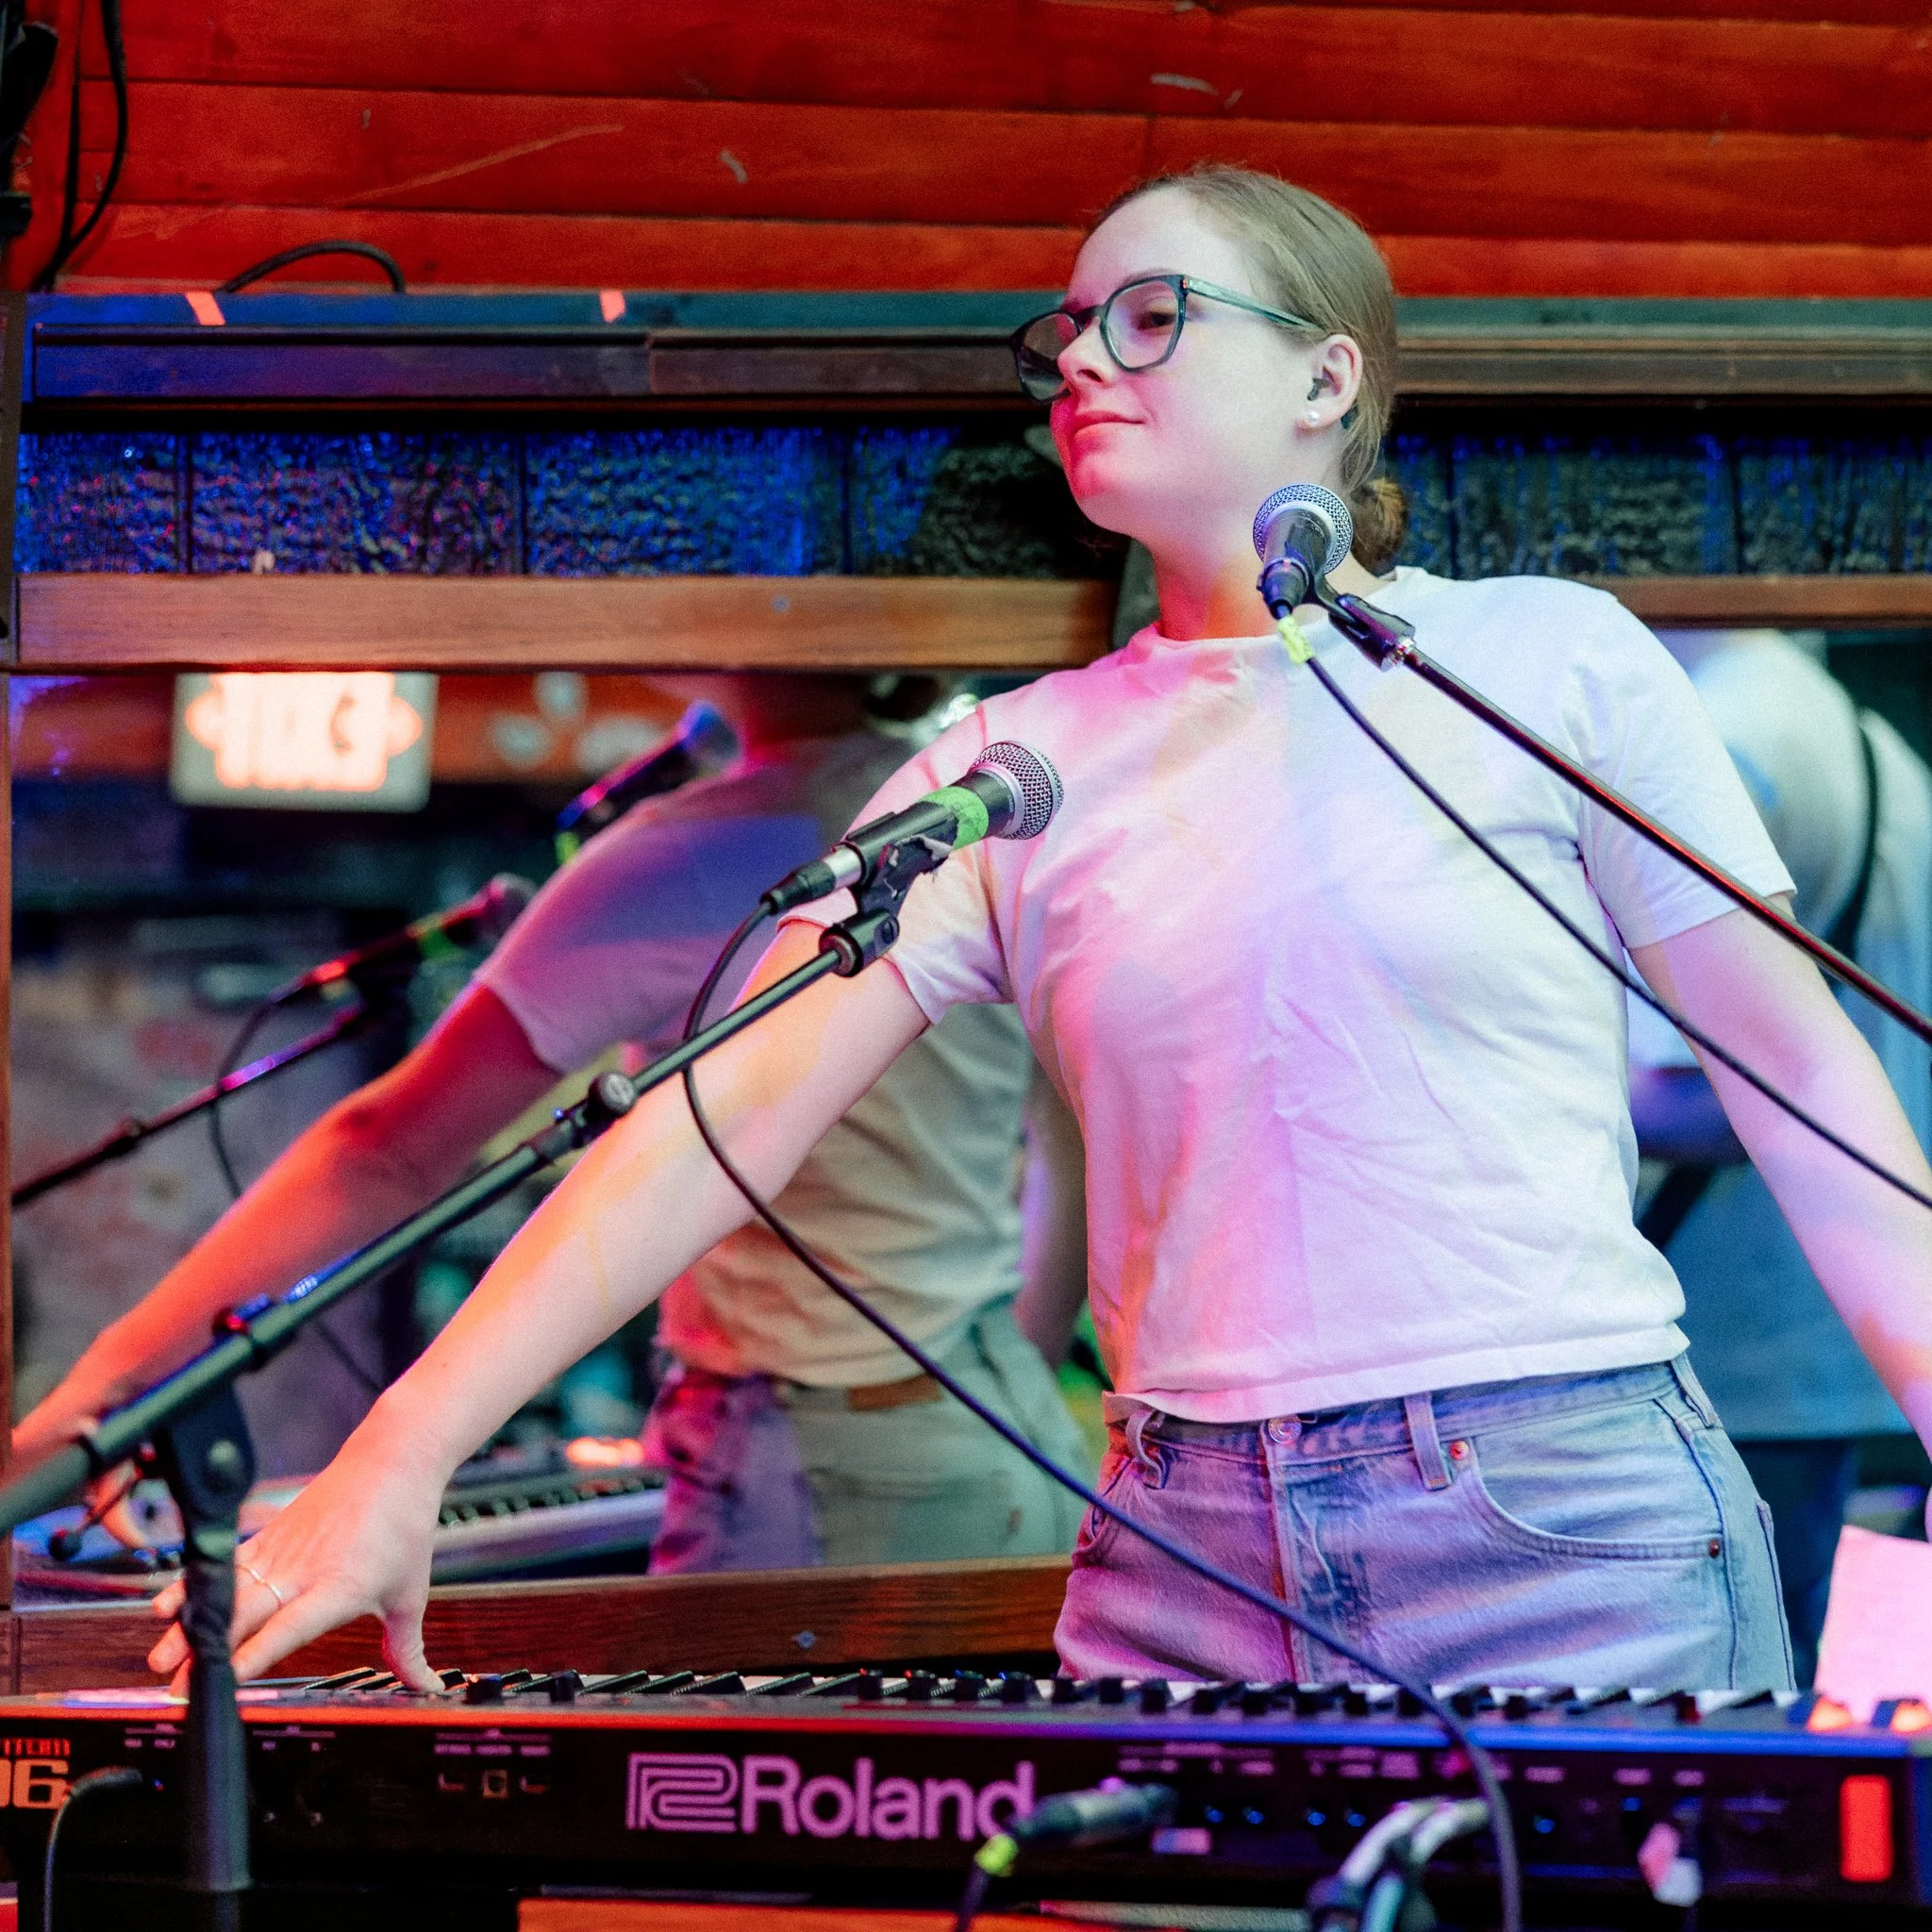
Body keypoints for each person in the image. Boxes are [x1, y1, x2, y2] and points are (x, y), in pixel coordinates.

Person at [147, 165, 1932, 1697]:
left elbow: (1799, 1079)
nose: (1079, 356)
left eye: (1148, 314)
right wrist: (401, 1446)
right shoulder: (1010, 766)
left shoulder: (1549, 657)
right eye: (1066, 331)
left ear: (1327, 376)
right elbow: (709, 1121)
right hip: (1176, 1543)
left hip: (1558, 1502)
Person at [15, 674, 1090, 1575]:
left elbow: (388, 1148)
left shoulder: (709, 844)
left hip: (823, 1464)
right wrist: (1016, 1364)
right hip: (996, 1426)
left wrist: (94, 1392)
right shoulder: (951, 799)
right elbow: (1067, 1132)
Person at [1628, 629, 1932, 1683]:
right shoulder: (1823, 717)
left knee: (1752, 1741)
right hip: (1805, 1328)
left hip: (1734, 1343)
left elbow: (1706, 1095)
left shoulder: (1727, 736)